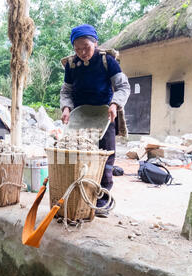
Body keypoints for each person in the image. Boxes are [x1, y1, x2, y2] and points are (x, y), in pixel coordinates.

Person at [60, 24, 131, 218]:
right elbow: (66, 91)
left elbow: (123, 87)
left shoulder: (107, 61)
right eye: (78, 48)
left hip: (104, 115)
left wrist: (115, 104)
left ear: (95, 43)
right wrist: (66, 108)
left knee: (105, 159)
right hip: (80, 117)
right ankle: (78, 196)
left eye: (86, 47)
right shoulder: (72, 65)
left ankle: (102, 201)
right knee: (78, 158)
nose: (82, 52)